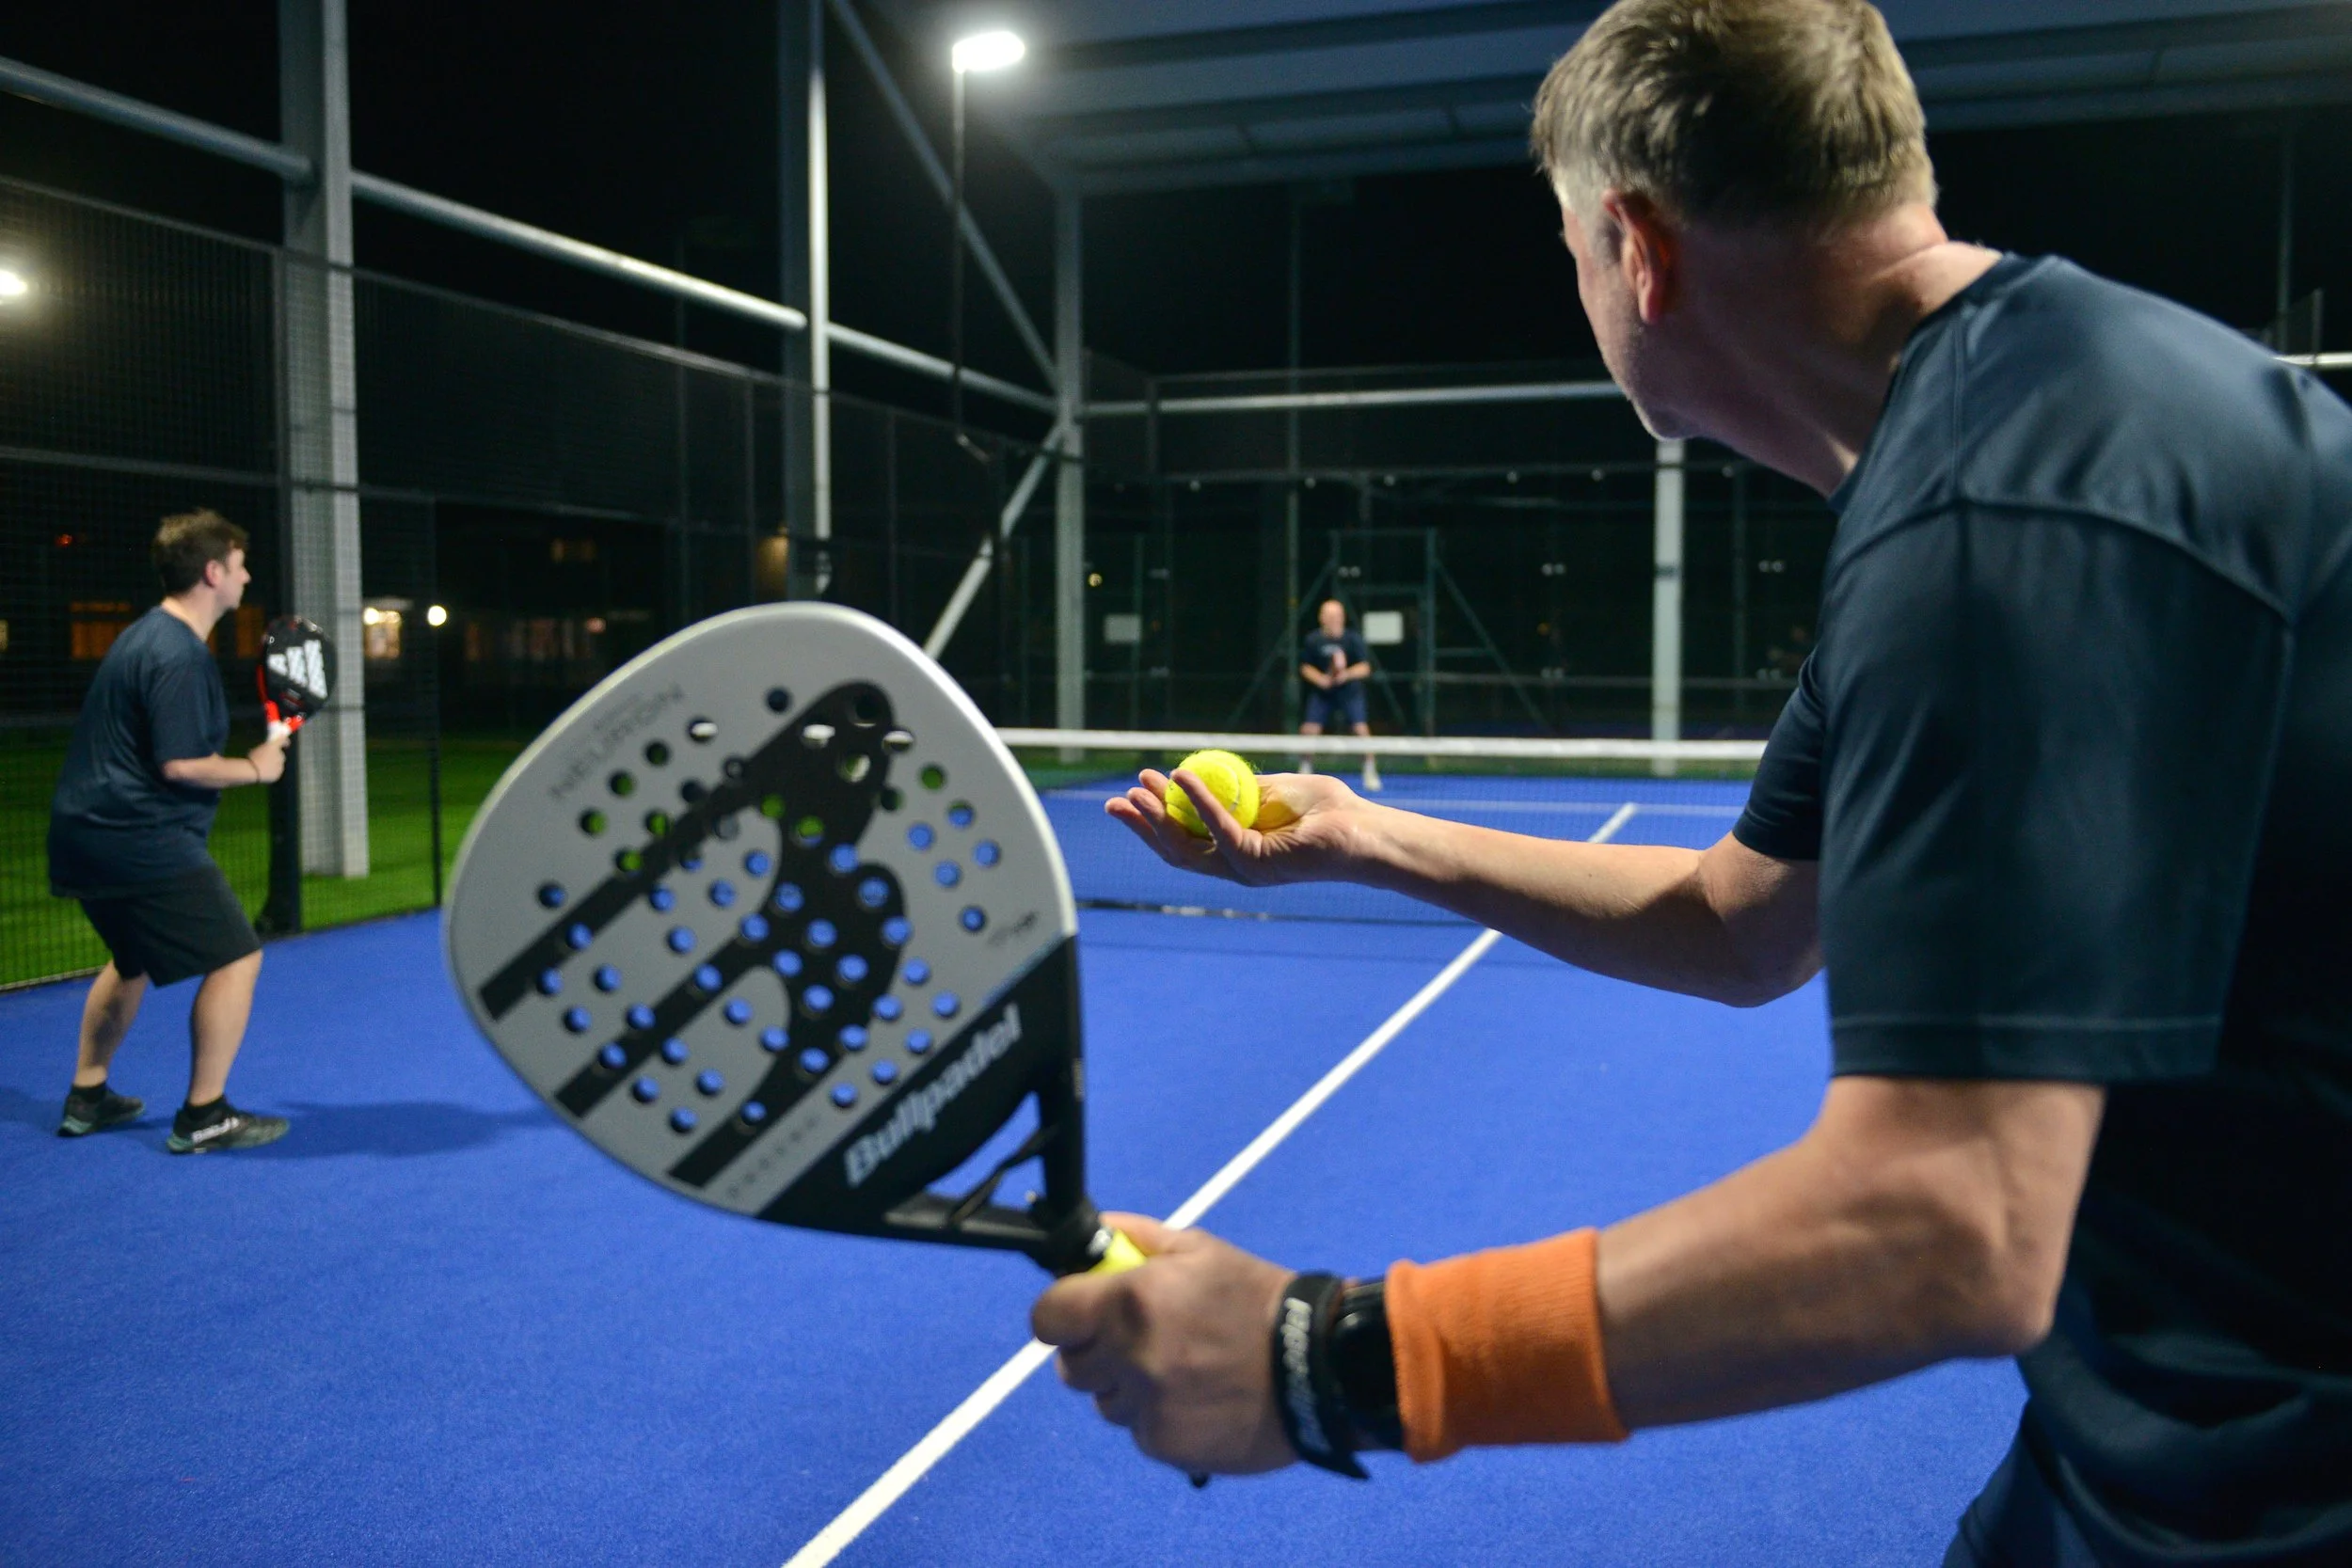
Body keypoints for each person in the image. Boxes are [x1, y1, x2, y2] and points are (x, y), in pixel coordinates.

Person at [1044, 3, 2352, 1563]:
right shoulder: (1992, 443)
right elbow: (1741, 922)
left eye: (1571, 255)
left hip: (2280, 1475)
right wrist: (1359, 831)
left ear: (1638, 248)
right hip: (2169, 1421)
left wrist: (1318, 1361)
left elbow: (1951, 1225)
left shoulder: (1999, 514)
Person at [49, 509, 292, 1154]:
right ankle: (205, 1114)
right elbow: (179, 763)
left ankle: (88, 1096)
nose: (245, 576)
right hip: (136, 835)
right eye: (239, 565)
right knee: (238, 956)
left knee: (130, 961)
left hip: (84, 833)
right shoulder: (178, 654)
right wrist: (255, 767)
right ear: (213, 572)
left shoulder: (141, 638)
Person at [1296, 597, 1380, 792]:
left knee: (1361, 731)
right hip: (1323, 693)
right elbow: (1305, 667)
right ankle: (1305, 768)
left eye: (1338, 615)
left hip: (1349, 692)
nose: (1335, 619)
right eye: (1330, 615)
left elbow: (1365, 667)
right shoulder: (1313, 640)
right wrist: (1320, 680)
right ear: (1322, 618)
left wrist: (1345, 675)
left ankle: (1369, 770)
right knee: (1309, 730)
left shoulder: (1352, 639)